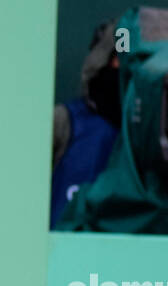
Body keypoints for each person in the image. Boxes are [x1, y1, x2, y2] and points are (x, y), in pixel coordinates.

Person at [51, 18, 121, 229]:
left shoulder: (164, 136)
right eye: (117, 58)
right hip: (61, 254)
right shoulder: (63, 121)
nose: (122, 68)